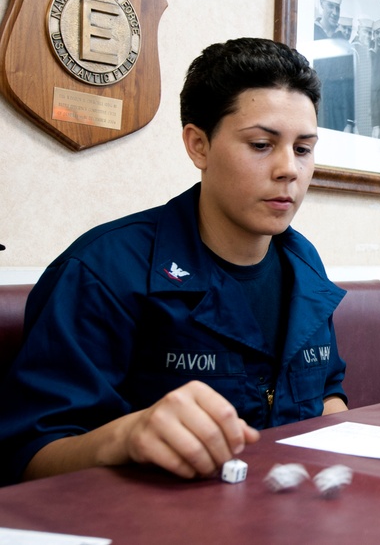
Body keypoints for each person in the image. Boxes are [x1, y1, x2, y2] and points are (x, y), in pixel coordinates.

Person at [0, 37, 349, 486]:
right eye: (262, 144)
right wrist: (125, 437)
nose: (290, 169)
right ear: (198, 145)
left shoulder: (305, 263)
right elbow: (23, 455)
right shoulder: (103, 270)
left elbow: (328, 392)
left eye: (303, 149)